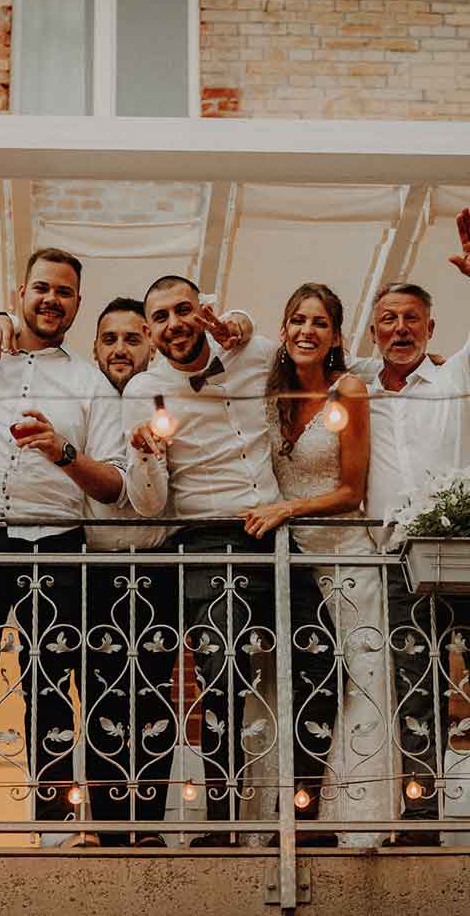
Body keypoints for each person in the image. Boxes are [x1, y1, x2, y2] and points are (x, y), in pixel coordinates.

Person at [122, 278, 341, 846]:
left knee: (320, 666)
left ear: (203, 312)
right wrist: (146, 459)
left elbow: (319, 354)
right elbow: (148, 506)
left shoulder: (256, 354)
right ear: (150, 332)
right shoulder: (143, 391)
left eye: (183, 310)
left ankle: (303, 812)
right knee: (222, 679)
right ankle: (222, 823)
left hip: (272, 535)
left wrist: (241, 318)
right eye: (161, 317)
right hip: (204, 542)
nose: (174, 323)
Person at [0, 247, 129, 848]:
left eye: (64, 292)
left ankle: (55, 823)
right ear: (18, 293)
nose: (51, 300)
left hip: (57, 541)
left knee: (54, 683)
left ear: (76, 304)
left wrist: (64, 453)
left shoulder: (90, 383)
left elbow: (116, 485)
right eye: (41, 288)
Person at [356, 208, 470, 847]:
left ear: (430, 326)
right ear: (374, 332)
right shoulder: (356, 389)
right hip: (401, 561)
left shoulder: (458, 374)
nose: (400, 328)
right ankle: (421, 818)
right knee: (416, 691)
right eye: (388, 320)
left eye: (411, 319)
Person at [261, 283, 379, 846]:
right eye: (297, 320)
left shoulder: (348, 390)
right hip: (289, 564)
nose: (307, 331)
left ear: (335, 335)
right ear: (283, 331)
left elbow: (352, 489)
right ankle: (297, 811)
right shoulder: (268, 393)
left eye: (319, 322)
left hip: (344, 558)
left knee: (358, 681)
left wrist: (288, 507)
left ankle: (353, 815)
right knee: (297, 684)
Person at [80, 297, 178, 846]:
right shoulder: (81, 396)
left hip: (158, 561)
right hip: (95, 564)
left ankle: (150, 823)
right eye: (109, 339)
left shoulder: (168, 396)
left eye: (132, 338)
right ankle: (110, 824)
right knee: (100, 696)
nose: (120, 348)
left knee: (155, 693)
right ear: (94, 349)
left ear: (150, 343)